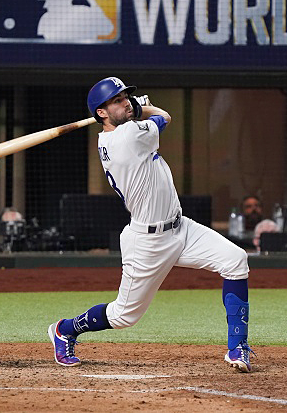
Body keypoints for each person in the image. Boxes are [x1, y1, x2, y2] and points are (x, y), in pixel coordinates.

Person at [47, 77, 253, 372]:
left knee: (236, 260)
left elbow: (149, 119)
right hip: (147, 241)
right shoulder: (127, 137)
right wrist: (143, 107)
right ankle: (65, 329)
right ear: (101, 112)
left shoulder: (111, 136)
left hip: (181, 227)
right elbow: (165, 117)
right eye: (117, 101)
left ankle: (238, 348)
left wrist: (133, 107)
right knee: (123, 317)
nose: (125, 103)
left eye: (125, 97)